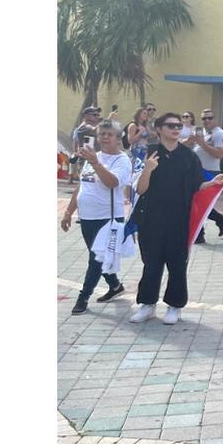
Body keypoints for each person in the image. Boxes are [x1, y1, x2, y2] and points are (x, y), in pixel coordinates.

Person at [130, 113, 223, 325]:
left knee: (177, 263)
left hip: (179, 218)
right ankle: (147, 304)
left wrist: (213, 182)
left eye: (178, 126)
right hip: (151, 218)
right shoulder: (149, 153)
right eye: (171, 125)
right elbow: (140, 189)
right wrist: (148, 169)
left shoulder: (188, 156)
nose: (176, 129)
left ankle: (174, 306)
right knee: (151, 263)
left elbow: (197, 185)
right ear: (159, 129)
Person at [60, 121, 132, 315]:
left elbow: (112, 182)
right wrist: (69, 211)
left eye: (110, 134)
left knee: (96, 259)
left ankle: (83, 298)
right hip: (87, 217)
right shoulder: (94, 156)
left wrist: (95, 163)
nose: (105, 138)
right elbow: (82, 185)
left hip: (108, 218)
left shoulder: (122, 160)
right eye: (102, 134)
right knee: (100, 256)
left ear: (118, 138)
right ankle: (115, 285)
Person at [190, 108, 223, 243]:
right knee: (197, 202)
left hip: (210, 172)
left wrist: (202, 144)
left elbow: (220, 154)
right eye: (204, 118)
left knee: (200, 203)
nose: (207, 121)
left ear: (215, 119)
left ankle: (201, 233)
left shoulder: (219, 134)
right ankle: (220, 221)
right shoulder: (202, 132)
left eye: (210, 118)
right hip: (198, 171)